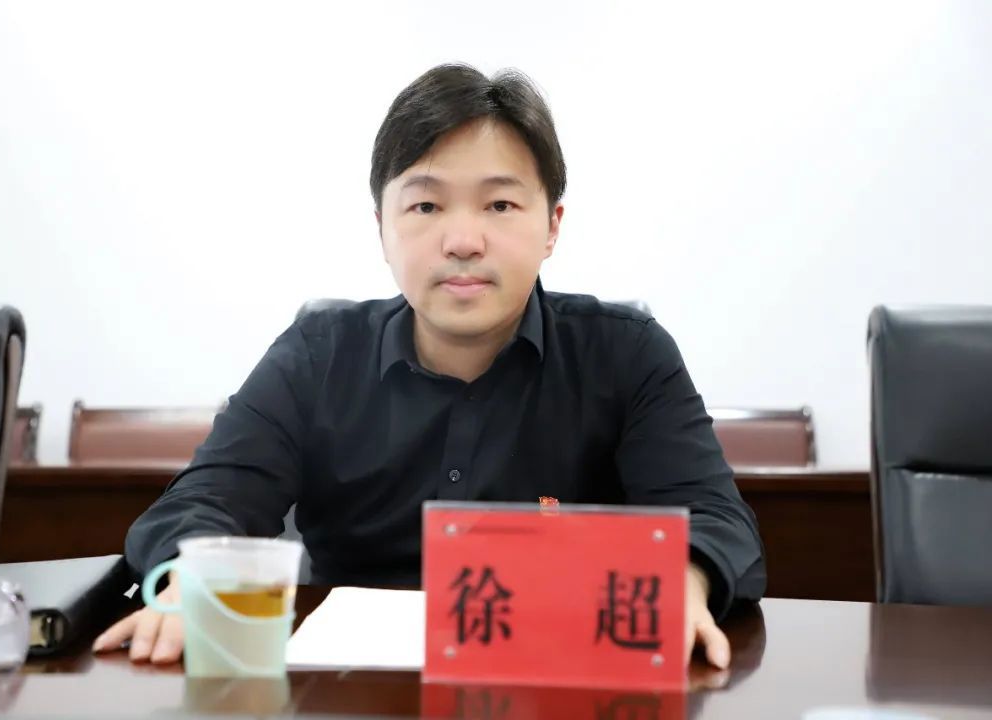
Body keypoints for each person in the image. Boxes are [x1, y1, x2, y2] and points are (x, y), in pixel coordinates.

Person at [94, 63, 766, 669]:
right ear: (382, 228)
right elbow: (206, 500)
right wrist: (191, 575)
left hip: (554, 681)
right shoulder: (317, 355)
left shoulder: (626, 355)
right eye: (426, 205)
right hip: (349, 687)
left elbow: (717, 520)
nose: (463, 240)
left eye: (500, 204)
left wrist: (681, 583)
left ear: (552, 225)